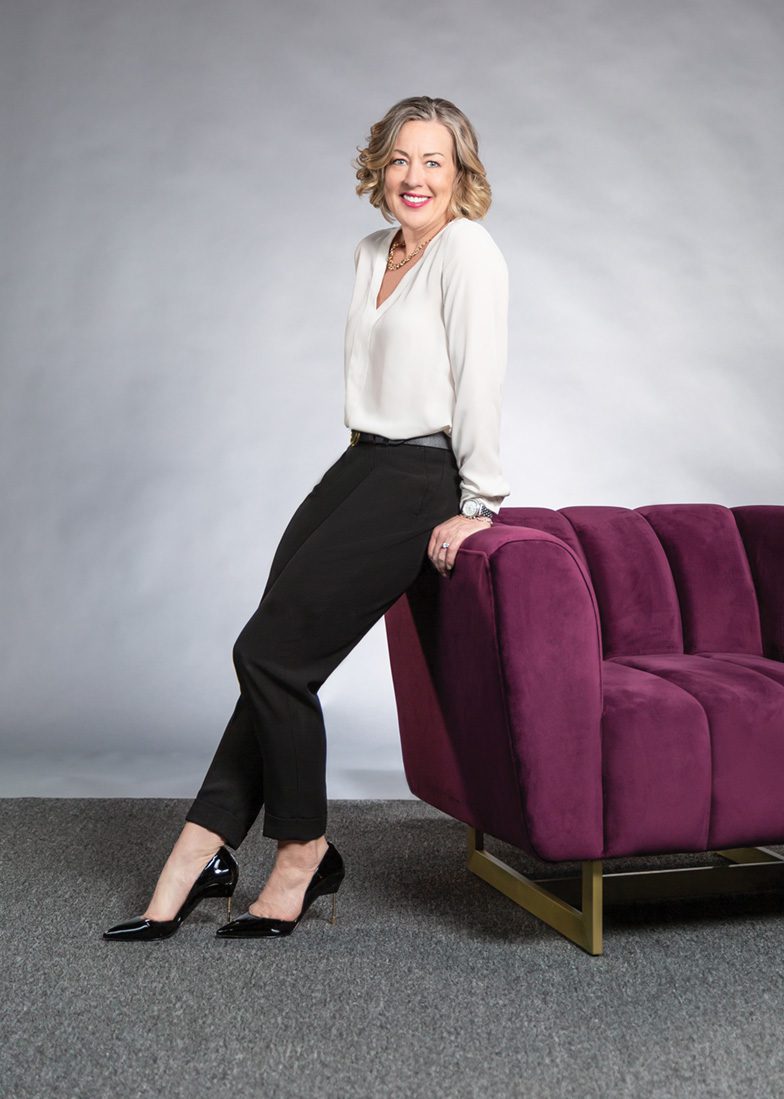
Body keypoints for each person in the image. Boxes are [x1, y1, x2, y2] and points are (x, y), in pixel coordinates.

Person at [102, 95, 511, 941]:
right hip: (358, 465)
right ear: (380, 166)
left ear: (460, 174)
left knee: (267, 656)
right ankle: (205, 846)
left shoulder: (467, 252)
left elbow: (481, 381)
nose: (415, 177)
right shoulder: (371, 253)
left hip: (420, 477)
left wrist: (479, 504)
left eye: (435, 161)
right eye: (401, 158)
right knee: (275, 656)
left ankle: (301, 849)